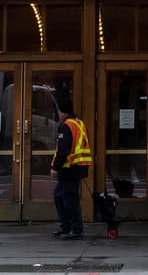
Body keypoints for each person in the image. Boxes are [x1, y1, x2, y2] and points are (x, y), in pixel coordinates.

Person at [49, 98, 91, 239]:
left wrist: (55, 167)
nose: (58, 115)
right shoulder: (79, 123)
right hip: (78, 166)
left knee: (69, 198)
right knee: (59, 195)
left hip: (70, 167)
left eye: (59, 112)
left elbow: (63, 149)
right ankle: (66, 227)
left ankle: (75, 229)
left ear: (63, 112)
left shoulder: (67, 126)